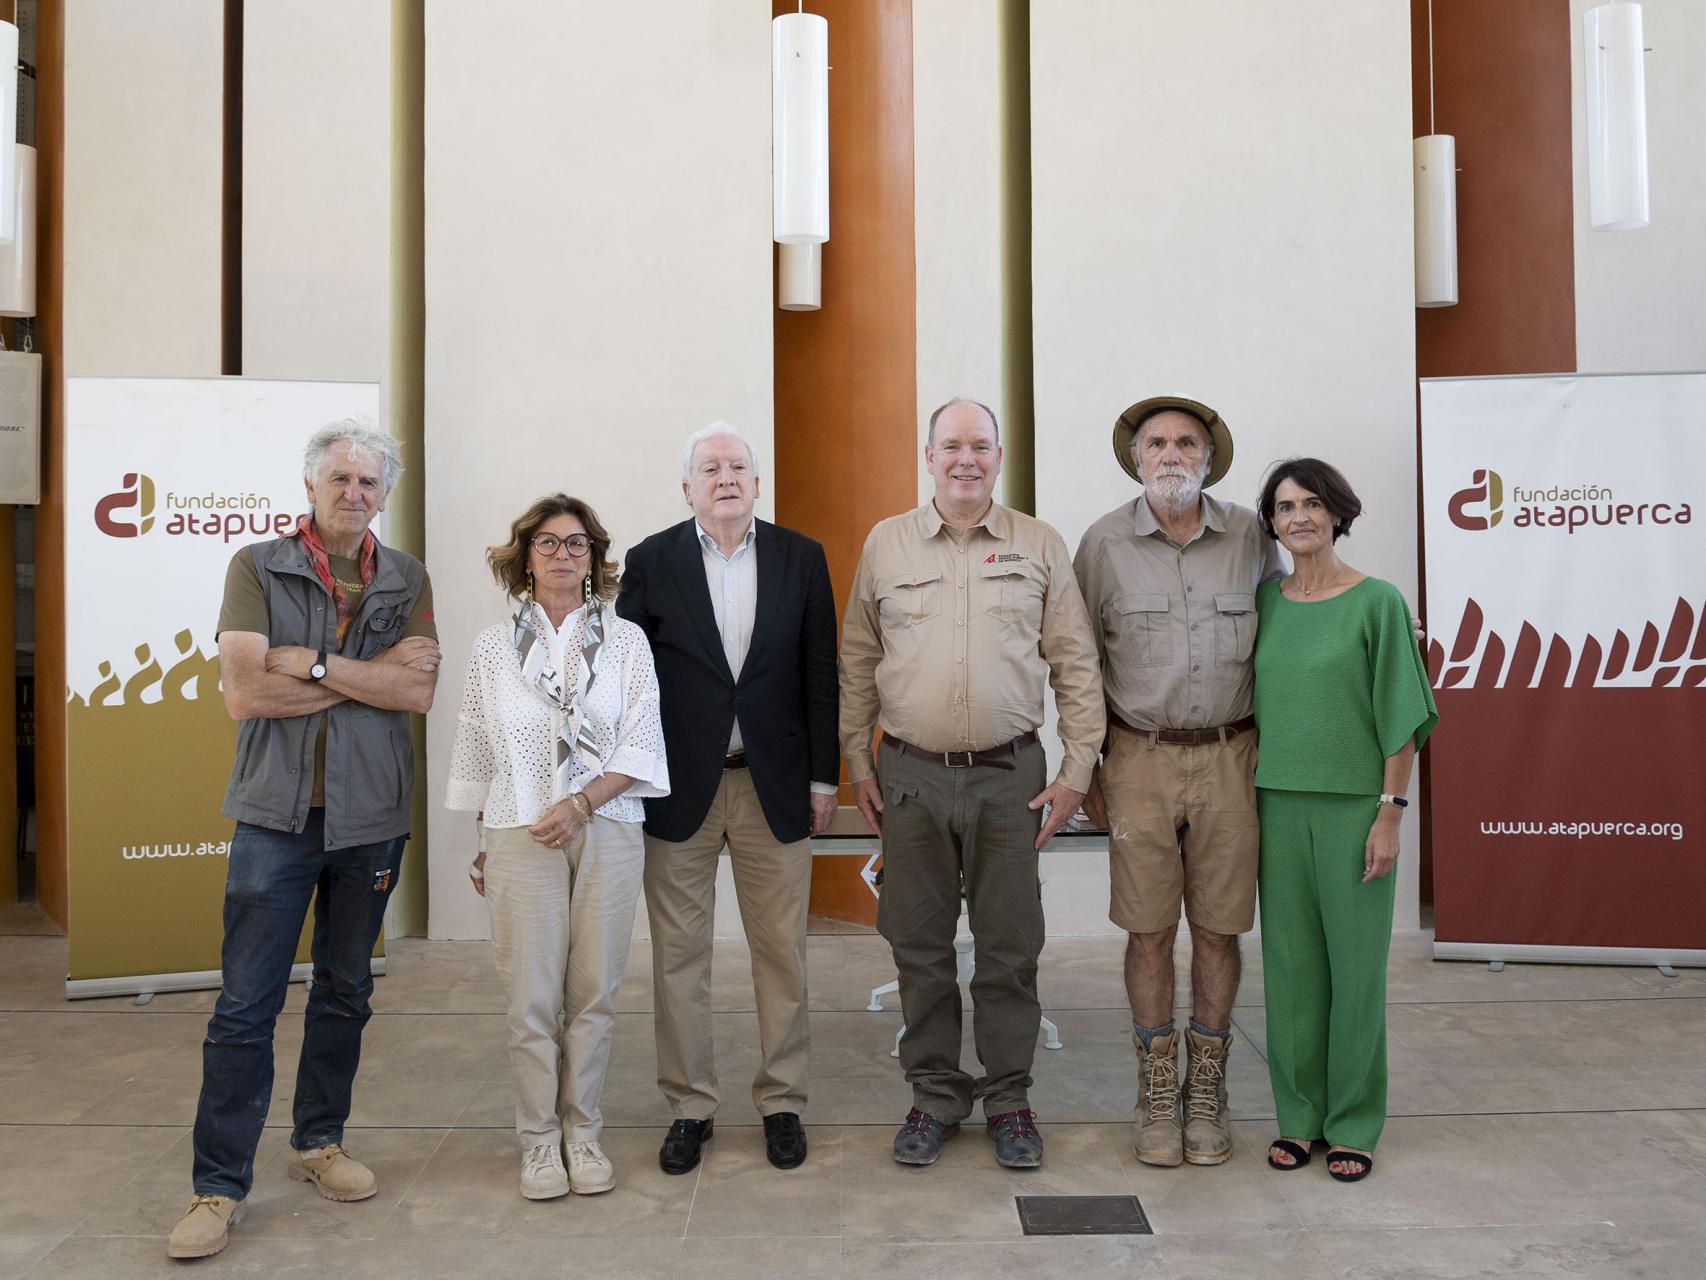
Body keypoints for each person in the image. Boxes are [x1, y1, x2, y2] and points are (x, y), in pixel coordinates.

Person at [170, 422, 439, 1260]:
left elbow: (419, 690)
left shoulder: (406, 575)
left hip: (372, 822)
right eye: (340, 479)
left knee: (346, 992)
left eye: (368, 482)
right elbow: (246, 694)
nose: (353, 493)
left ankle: (318, 1142)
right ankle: (216, 1187)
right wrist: (369, 678)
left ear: (383, 495)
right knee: (245, 1006)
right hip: (274, 819)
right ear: (311, 485)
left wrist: (313, 665)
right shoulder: (256, 567)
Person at [839, 397, 1104, 1170]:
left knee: (1009, 948)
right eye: (950, 445)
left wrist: (1076, 772)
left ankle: (1011, 1101)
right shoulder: (887, 545)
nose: (966, 459)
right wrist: (860, 760)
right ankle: (933, 1097)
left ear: (998, 456)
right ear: (928, 456)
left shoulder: (1039, 544)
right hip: (911, 776)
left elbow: (1076, 665)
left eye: (979, 447)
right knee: (917, 945)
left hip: (1010, 777)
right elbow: (857, 660)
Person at [617, 422, 838, 1175]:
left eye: (738, 466)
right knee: (680, 960)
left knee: (783, 957)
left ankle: (783, 1102)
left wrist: (823, 778)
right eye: (709, 468)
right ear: (687, 487)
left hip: (773, 786)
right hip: (677, 792)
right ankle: (690, 1107)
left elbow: (821, 674)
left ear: (756, 481)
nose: (725, 477)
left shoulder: (800, 557)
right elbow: (627, 682)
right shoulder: (650, 562)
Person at [1073, 396, 1281, 1169]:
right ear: (1135, 458)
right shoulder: (1101, 545)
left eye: (1185, 442)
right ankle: (1158, 1088)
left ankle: (1208, 1091)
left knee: (1220, 928)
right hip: (1139, 762)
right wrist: (1085, 760)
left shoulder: (1253, 539)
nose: (1170, 453)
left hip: (1235, 758)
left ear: (1208, 456)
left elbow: (1297, 621)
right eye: (1156, 442)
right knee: (1150, 928)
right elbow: (1077, 662)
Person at [448, 495, 669, 1200]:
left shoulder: (627, 641)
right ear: (524, 554)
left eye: (578, 544)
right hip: (520, 829)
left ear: (595, 558)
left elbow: (642, 741)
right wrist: (483, 841)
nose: (564, 555)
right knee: (531, 999)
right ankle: (539, 1143)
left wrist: (580, 804)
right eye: (548, 542)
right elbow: (480, 744)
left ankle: (584, 1132)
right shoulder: (492, 647)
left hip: (607, 826)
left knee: (595, 993)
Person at [1251, 458, 1437, 1183]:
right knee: (1292, 971)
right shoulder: (1265, 602)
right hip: (1274, 804)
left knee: (1355, 971)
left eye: (1311, 504)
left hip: (1356, 809)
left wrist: (1390, 815)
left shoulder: (1378, 603)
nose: (1298, 517)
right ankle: (1299, 1119)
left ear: (1337, 513)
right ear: (1271, 523)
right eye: (1284, 507)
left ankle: (1354, 1121)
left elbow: (1402, 719)